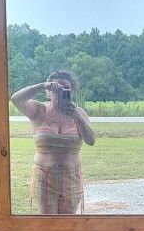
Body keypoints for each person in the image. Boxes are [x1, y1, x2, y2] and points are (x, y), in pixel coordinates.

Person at [11, 69, 95, 215]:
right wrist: (42, 85)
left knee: (68, 224)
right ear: (48, 92)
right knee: (47, 224)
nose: (61, 92)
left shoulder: (79, 113)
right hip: (45, 177)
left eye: (66, 89)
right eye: (57, 89)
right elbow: (15, 99)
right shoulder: (39, 110)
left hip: (71, 178)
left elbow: (91, 140)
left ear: (71, 92)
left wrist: (76, 115)